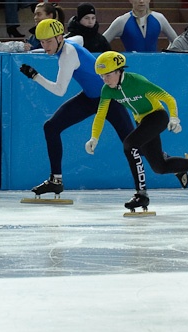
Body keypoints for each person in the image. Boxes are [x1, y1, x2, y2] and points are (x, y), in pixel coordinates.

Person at [86, 51, 188, 211]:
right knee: (160, 167)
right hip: (142, 122)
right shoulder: (107, 90)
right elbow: (101, 114)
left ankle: (141, 194)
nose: (104, 80)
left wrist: (174, 118)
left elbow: (168, 98)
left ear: (119, 70)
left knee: (129, 145)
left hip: (157, 117)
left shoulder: (137, 81)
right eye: (101, 76)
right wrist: (94, 138)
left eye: (107, 75)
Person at [19, 19, 134, 198]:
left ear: (59, 38)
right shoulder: (69, 42)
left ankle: (169, 164)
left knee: (134, 144)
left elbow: (59, 90)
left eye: (48, 41)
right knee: (51, 127)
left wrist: (35, 76)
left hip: (109, 99)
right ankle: (55, 180)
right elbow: (79, 38)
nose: (45, 46)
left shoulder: (67, 55)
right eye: (41, 41)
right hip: (90, 97)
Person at [102, 0, 178, 52]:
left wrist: (167, 55)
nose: (141, 1)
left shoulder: (160, 18)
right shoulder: (121, 21)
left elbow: (176, 42)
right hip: (131, 65)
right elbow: (100, 43)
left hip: (154, 64)